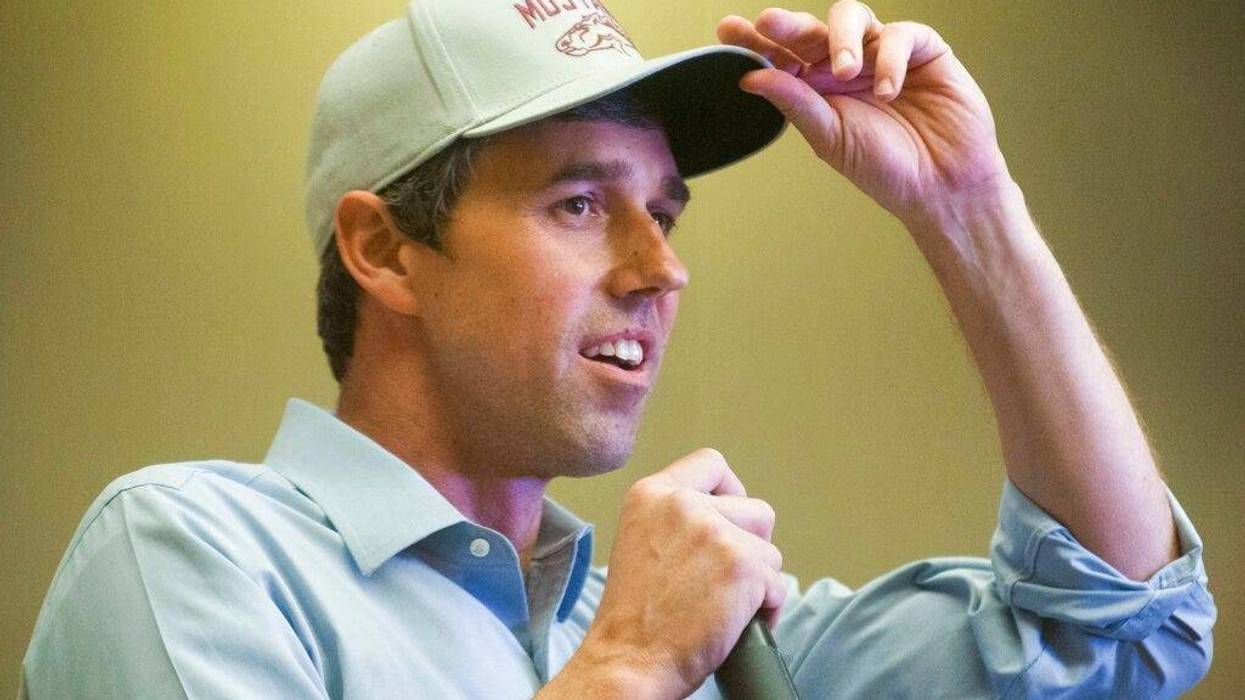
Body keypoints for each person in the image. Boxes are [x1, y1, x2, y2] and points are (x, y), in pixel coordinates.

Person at [21, 1, 1215, 698]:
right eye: (581, 204)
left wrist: (970, 210)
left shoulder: (710, 628)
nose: (661, 268)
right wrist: (633, 666)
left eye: (666, 213)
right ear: (385, 251)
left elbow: (1117, 626)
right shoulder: (189, 552)